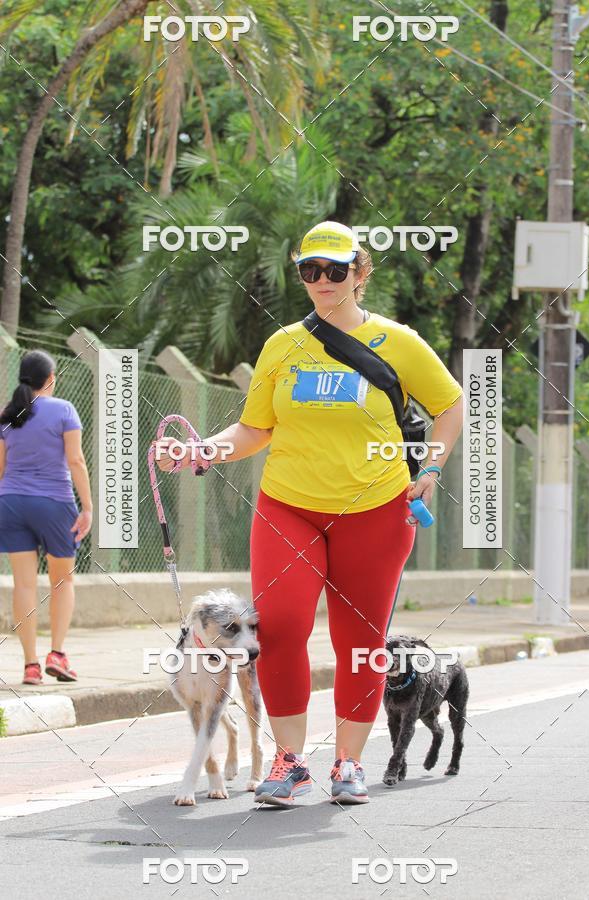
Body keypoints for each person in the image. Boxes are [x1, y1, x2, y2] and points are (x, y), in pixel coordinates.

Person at [156, 220, 464, 805]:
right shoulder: (282, 345)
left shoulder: (398, 342)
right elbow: (254, 429)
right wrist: (201, 451)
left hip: (374, 512)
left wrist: (430, 469)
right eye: (310, 269)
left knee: (361, 641)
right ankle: (290, 761)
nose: (323, 280)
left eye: (335, 269)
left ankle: (348, 764)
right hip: (288, 507)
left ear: (360, 272)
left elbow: (450, 405)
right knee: (279, 630)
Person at [0, 350, 93, 685]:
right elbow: (76, 461)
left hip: (11, 503)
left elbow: (1, 469)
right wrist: (88, 507)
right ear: (51, 378)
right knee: (62, 580)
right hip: (55, 503)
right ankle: (57, 654)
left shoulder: (7, 415)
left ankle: (30, 666)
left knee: (23, 584)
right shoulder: (64, 409)